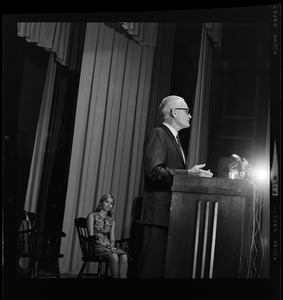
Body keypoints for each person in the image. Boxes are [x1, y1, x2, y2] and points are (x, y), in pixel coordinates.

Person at [139, 95, 213, 278]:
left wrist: (194, 178)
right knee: (151, 270)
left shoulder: (176, 140)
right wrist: (188, 174)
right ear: (173, 112)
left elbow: (172, 175)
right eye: (187, 111)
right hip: (158, 217)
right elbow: (154, 172)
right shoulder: (159, 134)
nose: (190, 116)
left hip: (171, 217)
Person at [86, 194, 128, 278]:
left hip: (108, 247)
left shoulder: (112, 220)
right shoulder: (92, 216)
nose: (109, 205)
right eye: (107, 202)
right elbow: (91, 237)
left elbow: (112, 238)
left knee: (124, 256)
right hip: (95, 246)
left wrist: (112, 246)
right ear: (101, 203)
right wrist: (107, 245)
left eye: (111, 203)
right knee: (114, 255)